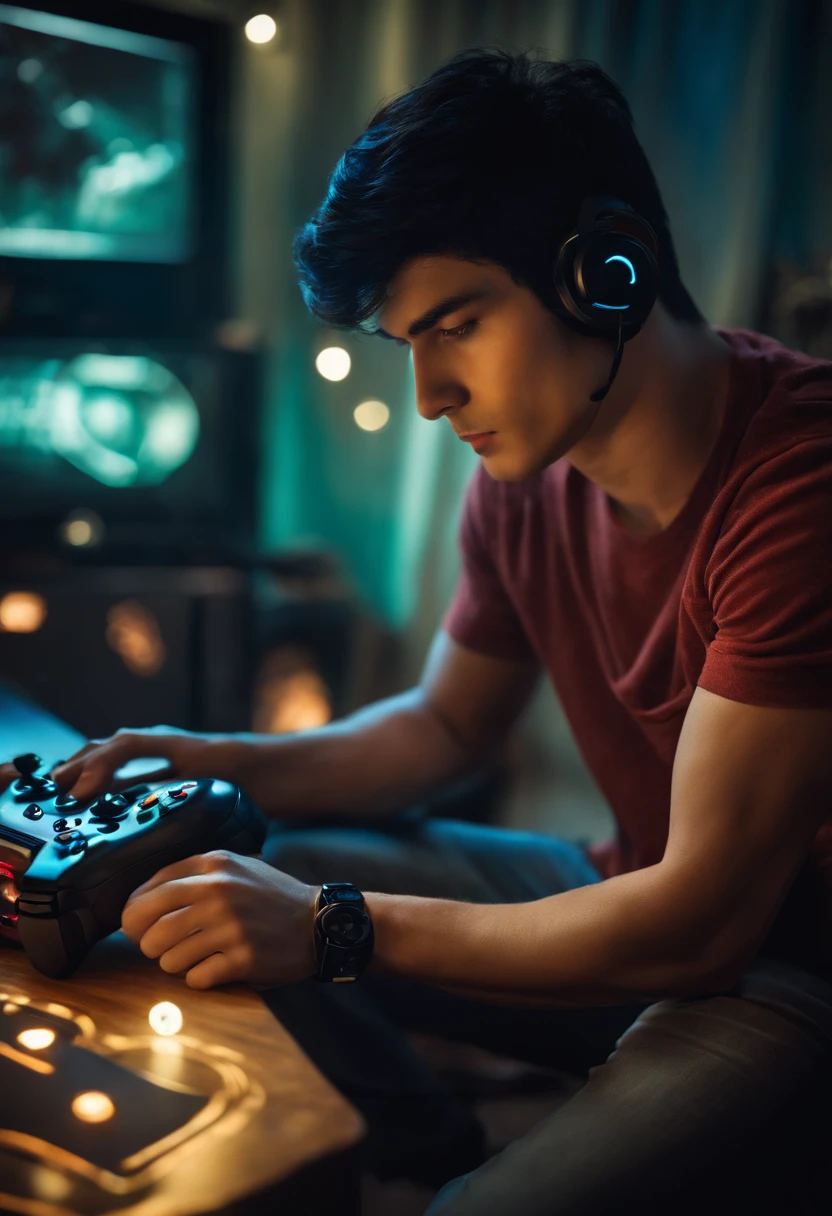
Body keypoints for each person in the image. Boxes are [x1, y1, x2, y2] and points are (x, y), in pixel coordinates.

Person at [5, 49, 832, 1215]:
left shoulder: (800, 486)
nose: (431, 395)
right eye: (408, 346)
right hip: (629, 896)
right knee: (218, 878)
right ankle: (413, 1144)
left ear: (610, 272)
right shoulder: (524, 474)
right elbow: (442, 728)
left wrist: (336, 928)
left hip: (782, 975)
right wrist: (210, 758)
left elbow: (702, 926)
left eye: (459, 326)